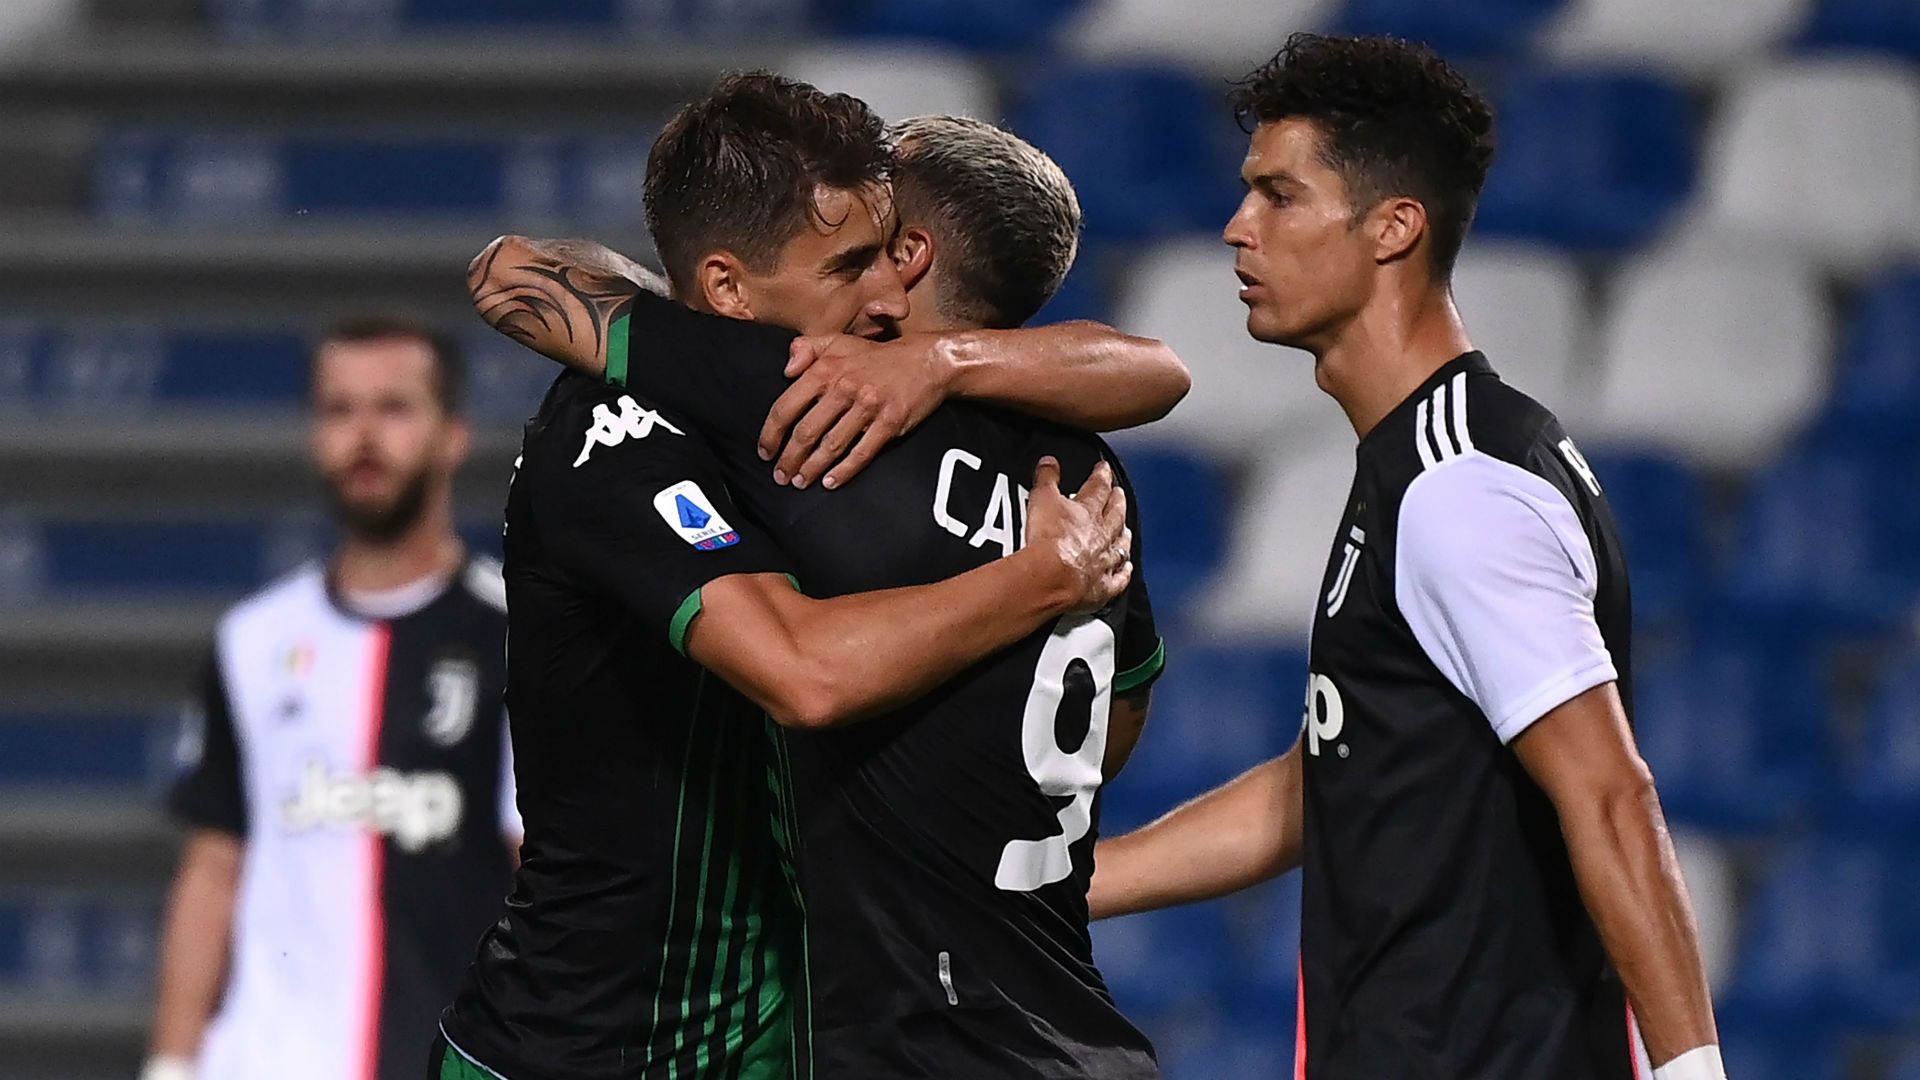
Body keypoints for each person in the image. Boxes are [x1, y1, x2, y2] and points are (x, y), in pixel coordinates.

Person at [435, 77, 1173, 1080]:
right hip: (589, 1042)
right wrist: (1044, 577)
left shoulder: (855, 418)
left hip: (789, 1037)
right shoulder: (622, 422)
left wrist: (938, 363)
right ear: (730, 291)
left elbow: (516, 273)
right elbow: (808, 673)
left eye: (891, 256)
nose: (884, 297)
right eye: (853, 264)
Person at [1087, 34, 1726, 1080]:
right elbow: (1334, 778)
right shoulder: (1423, 464)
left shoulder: (1461, 489)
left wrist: (1693, 1073)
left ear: (1393, 227)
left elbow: (1611, 795)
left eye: (1278, 196)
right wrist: (1072, 885)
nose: (1237, 227)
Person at [146, 319, 521, 1080]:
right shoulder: (254, 640)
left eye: (394, 408)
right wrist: (172, 1064)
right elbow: (214, 867)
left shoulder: (521, 637)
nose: (364, 437)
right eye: (340, 410)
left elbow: (545, 871)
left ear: (453, 435)